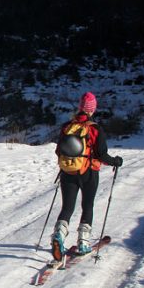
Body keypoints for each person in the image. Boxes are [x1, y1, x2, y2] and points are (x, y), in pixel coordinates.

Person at [51, 92, 122, 261]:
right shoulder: (94, 128)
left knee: (67, 208)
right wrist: (116, 162)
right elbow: (102, 155)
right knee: (87, 205)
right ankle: (83, 243)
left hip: (68, 172)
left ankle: (58, 237)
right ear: (92, 109)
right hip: (89, 172)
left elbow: (58, 150)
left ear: (79, 107)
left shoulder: (67, 126)